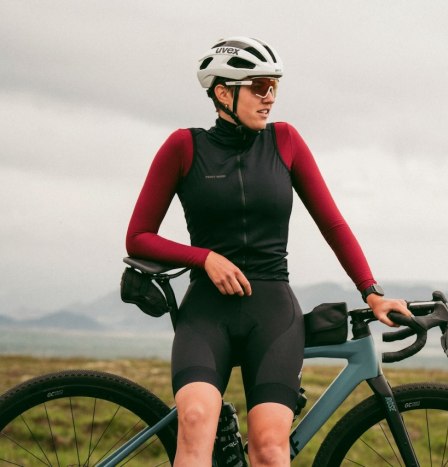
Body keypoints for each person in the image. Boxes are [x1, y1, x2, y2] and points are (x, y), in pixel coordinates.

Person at [125, 36, 411, 466]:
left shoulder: (286, 141)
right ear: (224, 93)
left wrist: (371, 291)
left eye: (274, 86)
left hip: (273, 312)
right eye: (259, 86)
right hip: (206, 312)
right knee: (196, 419)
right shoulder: (183, 147)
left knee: (270, 447)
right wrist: (204, 258)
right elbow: (139, 236)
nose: (270, 97)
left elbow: (332, 224)